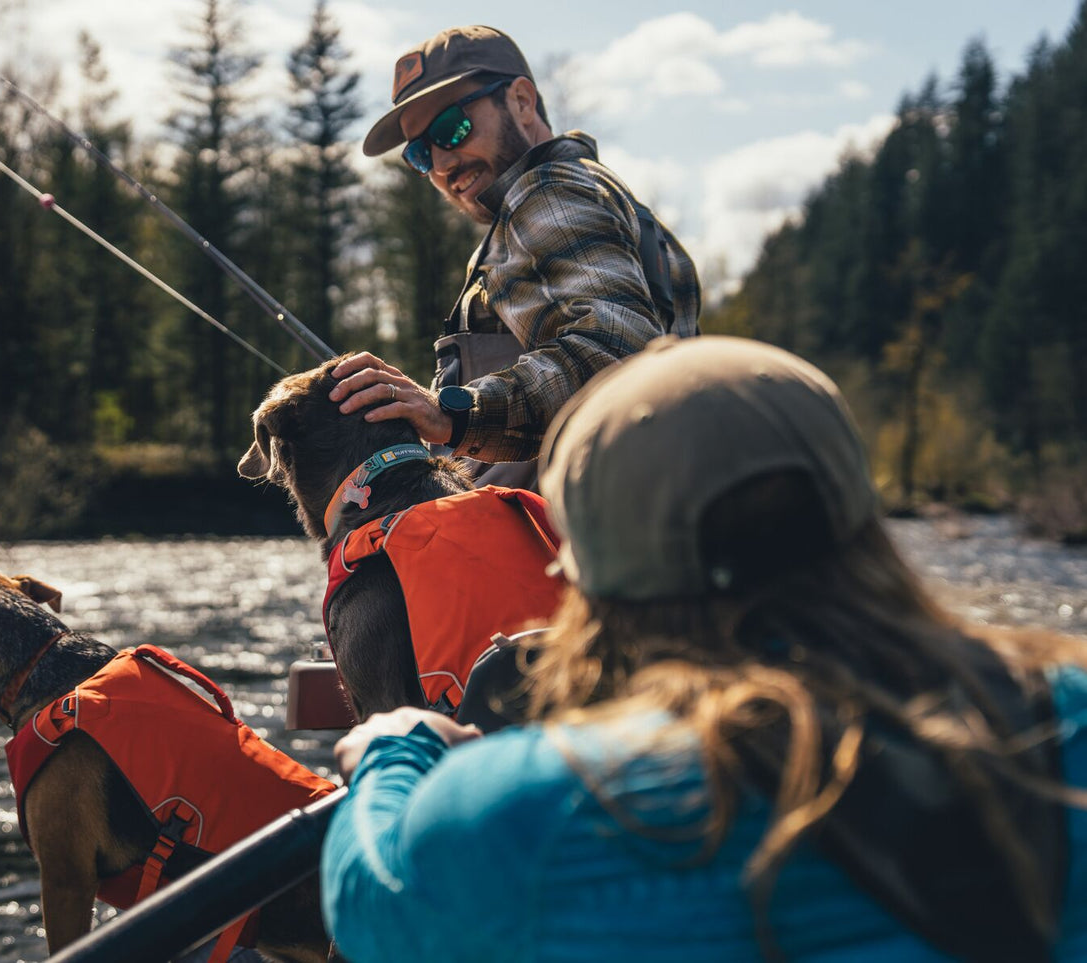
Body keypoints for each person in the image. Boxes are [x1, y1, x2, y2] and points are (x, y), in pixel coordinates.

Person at [319, 335, 1087, 963]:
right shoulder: (1065, 712)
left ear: (588, 573)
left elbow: (372, 906)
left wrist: (399, 749)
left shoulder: (532, 807)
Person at [330, 25, 700, 488]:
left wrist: (450, 412)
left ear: (522, 102)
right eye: (421, 153)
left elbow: (620, 355)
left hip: (564, 548)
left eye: (452, 127)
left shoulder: (546, 191)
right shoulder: (606, 198)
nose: (442, 165)